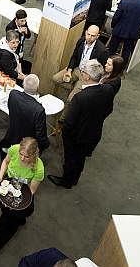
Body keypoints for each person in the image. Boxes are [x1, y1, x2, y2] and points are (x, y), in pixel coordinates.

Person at [48, 60, 114, 189]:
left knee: (70, 158)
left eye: (83, 71)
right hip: (94, 132)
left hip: (76, 136)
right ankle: (75, 178)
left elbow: (70, 122)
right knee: (81, 157)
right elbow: (109, 110)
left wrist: (66, 134)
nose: (82, 73)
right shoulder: (108, 89)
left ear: (87, 77)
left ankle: (67, 181)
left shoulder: (80, 97)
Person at [0, 137, 43, 259]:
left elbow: (31, 190)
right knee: (7, 214)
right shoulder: (14, 149)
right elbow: (5, 162)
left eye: (26, 157)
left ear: (34, 155)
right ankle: (19, 220)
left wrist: (13, 204)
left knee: (7, 221)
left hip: (23, 196)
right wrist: (0, 178)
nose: (22, 158)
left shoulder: (39, 169)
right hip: (9, 186)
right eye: (21, 154)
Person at [51, 25, 109, 131]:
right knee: (56, 78)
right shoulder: (81, 40)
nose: (89, 37)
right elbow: (74, 56)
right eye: (88, 34)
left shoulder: (102, 51)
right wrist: (69, 70)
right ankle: (73, 89)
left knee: (69, 100)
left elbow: (100, 70)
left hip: (87, 76)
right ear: (85, 32)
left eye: (92, 36)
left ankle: (61, 121)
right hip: (77, 69)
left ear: (97, 36)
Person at [1, 74, 49, 159]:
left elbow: (10, 107)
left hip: (12, 134)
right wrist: (45, 144)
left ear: (23, 84)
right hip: (27, 143)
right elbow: (40, 134)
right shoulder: (39, 110)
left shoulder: (13, 94)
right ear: (38, 88)